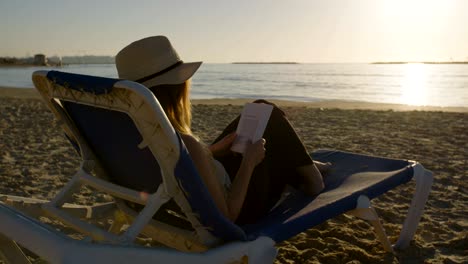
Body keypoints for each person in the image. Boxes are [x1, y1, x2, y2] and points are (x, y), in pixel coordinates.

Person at [115, 36, 328, 225]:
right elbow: (228, 216)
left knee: (255, 113)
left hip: (192, 189)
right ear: (176, 88)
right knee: (268, 113)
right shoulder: (184, 143)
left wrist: (211, 151)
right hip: (244, 204)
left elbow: (174, 167)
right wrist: (248, 162)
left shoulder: (136, 133)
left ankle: (302, 163)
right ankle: (311, 177)